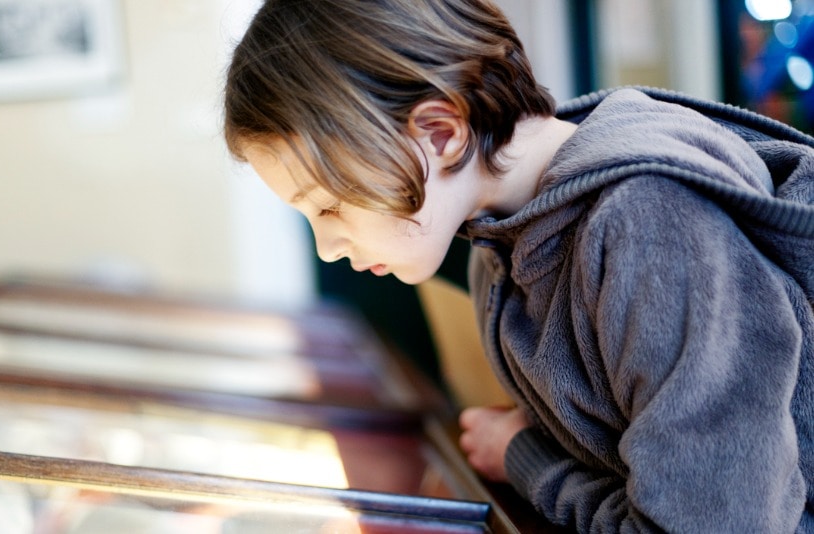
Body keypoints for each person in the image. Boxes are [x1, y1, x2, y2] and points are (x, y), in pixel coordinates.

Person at [222, 0, 814, 531]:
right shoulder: (497, 252)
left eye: (328, 205)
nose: (327, 247)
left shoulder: (652, 222)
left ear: (439, 132)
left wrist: (526, 461)